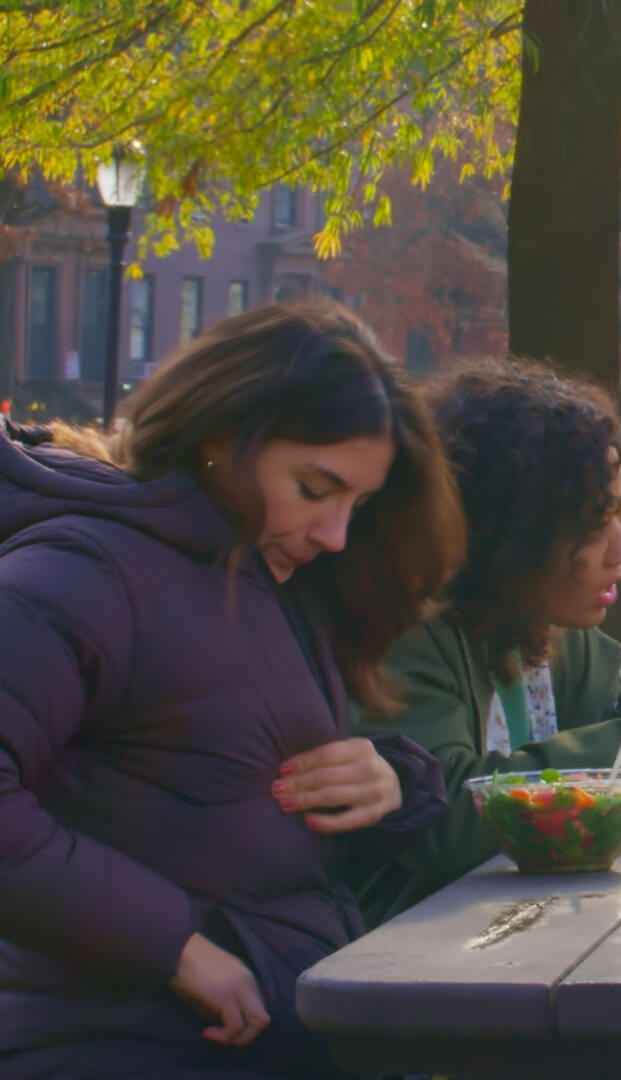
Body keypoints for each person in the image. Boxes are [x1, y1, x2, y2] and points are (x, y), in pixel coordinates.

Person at [0, 302, 465, 1077]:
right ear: (224, 437)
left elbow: (205, 774)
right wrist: (169, 947)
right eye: (315, 488)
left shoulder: (261, 570)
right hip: (112, 1043)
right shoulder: (83, 572)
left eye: (358, 502)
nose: (335, 534)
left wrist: (389, 779)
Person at [350, 357, 621, 928]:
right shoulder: (403, 635)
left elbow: (596, 729)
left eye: (618, 513)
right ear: (511, 530)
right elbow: (442, 818)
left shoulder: (550, 630)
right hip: (406, 963)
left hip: (538, 937)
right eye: (593, 522)